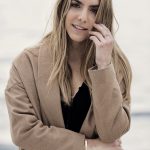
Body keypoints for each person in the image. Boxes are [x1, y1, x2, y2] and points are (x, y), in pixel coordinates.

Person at [5, 0, 132, 150]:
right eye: (76, 5)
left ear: (103, 16)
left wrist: (103, 66)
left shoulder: (115, 66)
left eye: (94, 10)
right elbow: (23, 132)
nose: (83, 17)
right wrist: (87, 145)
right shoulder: (26, 64)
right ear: (62, 7)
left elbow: (111, 133)